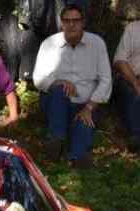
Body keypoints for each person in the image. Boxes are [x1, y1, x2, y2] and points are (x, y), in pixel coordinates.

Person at [32, 4, 111, 169]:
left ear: (83, 22)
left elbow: (106, 80)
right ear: (61, 23)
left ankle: (77, 157)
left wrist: (89, 107)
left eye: (76, 20)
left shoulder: (97, 43)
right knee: (60, 91)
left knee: (84, 120)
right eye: (67, 21)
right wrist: (58, 82)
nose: (71, 25)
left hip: (86, 102)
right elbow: (38, 78)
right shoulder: (49, 43)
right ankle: (56, 139)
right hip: (56, 102)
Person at [112, 0, 140, 153]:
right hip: (131, 77)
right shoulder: (134, 28)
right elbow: (119, 60)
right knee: (133, 93)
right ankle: (136, 138)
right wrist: (136, 84)